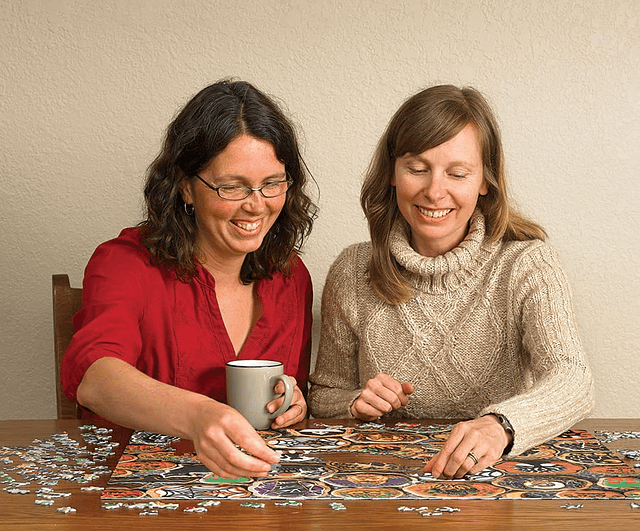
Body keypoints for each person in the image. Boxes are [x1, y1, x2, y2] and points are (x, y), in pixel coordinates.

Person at [308, 84, 594, 479]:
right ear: (392, 173)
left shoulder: (527, 263)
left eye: (457, 173)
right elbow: (323, 396)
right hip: (385, 482)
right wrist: (356, 402)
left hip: (497, 481)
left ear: (484, 181)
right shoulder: (353, 269)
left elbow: (573, 379)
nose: (434, 191)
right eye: (417, 169)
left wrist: (500, 426)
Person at [62, 79, 317, 479]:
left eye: (272, 183)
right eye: (231, 186)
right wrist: (199, 416)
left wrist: (295, 402)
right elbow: (94, 377)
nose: (256, 205)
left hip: (258, 502)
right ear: (185, 186)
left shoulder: (291, 276)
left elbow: (289, 395)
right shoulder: (124, 263)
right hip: (137, 500)